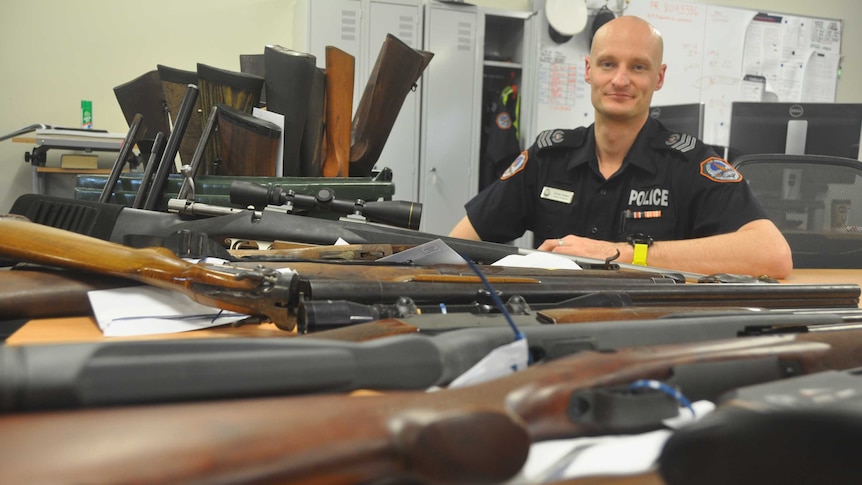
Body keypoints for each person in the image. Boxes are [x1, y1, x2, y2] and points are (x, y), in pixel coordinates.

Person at [448, 15, 793, 279]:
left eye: (638, 67)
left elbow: (773, 254)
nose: (620, 80)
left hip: (650, 334)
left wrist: (625, 254)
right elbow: (459, 245)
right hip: (552, 327)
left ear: (659, 77)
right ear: (589, 70)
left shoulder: (689, 163)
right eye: (608, 64)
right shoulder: (547, 156)